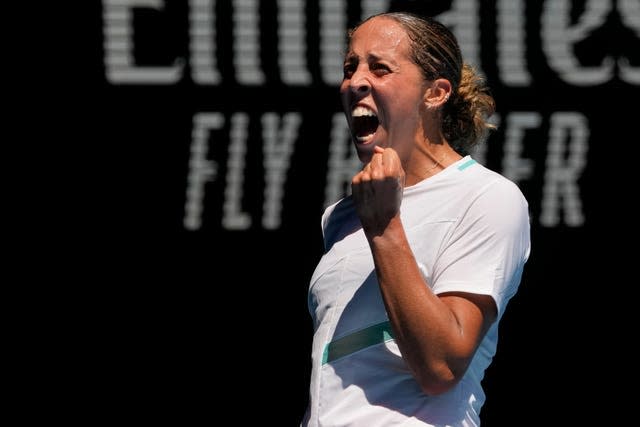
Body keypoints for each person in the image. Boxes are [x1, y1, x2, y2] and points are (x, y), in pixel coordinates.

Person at [301, 11, 530, 427]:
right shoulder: (341, 216)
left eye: (380, 67)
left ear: (436, 93)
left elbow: (441, 367)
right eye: (350, 67)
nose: (355, 81)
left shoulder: (487, 197)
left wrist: (385, 228)